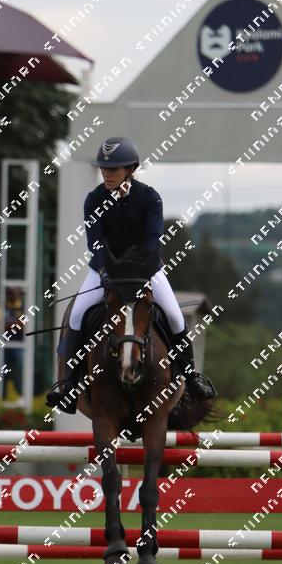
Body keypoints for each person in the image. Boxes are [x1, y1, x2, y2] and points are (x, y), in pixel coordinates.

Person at [46, 136, 217, 414]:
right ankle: (68, 384)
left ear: (130, 169)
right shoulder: (94, 199)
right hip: (105, 271)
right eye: (104, 169)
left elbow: (151, 241)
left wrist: (137, 272)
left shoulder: (149, 197)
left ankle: (191, 378)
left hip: (145, 270)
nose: (106, 174)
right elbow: (95, 244)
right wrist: (108, 273)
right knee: (76, 315)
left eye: (112, 169)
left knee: (175, 316)